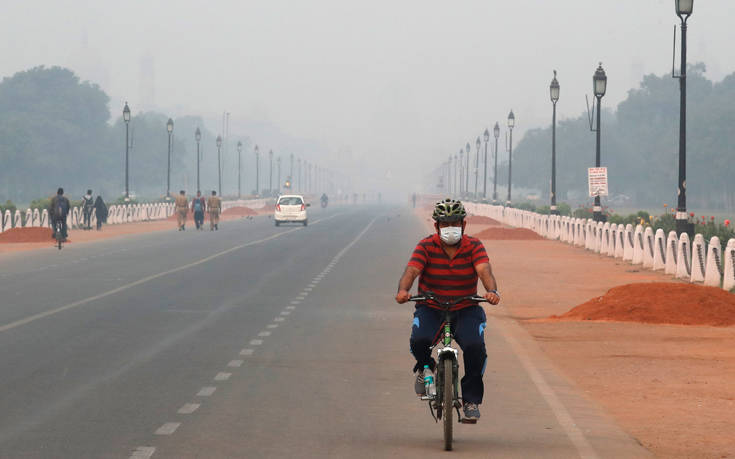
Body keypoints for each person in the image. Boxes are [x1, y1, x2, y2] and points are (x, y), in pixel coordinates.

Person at [395, 198, 500, 422]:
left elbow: (484, 270)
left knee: (475, 347)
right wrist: (403, 290)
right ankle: (426, 368)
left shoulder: (474, 246)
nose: (449, 228)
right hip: (431, 306)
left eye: (454, 223)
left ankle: (470, 400)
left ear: (463, 225)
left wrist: (492, 291)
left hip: (466, 306)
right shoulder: (426, 246)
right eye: (445, 224)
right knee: (419, 340)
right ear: (436, 226)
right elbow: (412, 270)